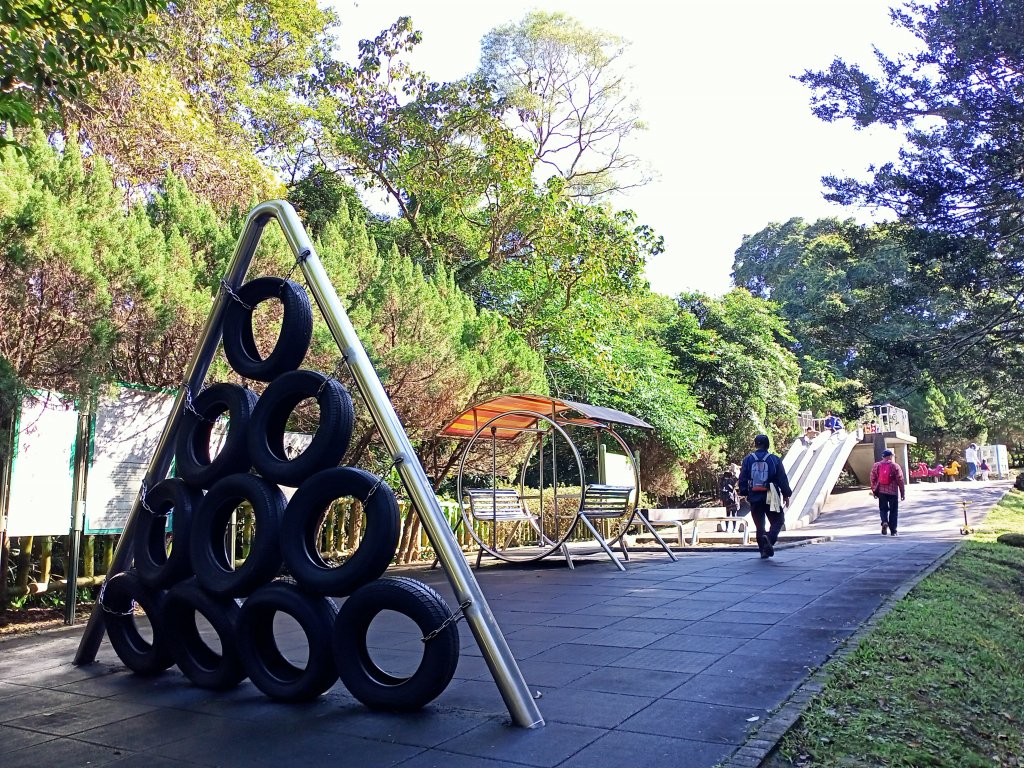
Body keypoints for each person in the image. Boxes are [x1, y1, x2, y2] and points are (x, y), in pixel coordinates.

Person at [738, 434, 792, 559]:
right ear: (767, 444)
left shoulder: (748, 459)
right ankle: (770, 538)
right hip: (771, 493)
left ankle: (763, 550)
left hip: (755, 495)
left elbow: (743, 477)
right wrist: (786, 494)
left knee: (759, 525)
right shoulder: (774, 459)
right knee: (778, 520)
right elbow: (782, 478)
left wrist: (745, 492)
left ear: (756, 444)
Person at [870, 449, 905, 536]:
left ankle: (884, 521)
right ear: (890, 456)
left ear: (883, 456)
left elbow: (872, 478)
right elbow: (900, 479)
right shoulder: (895, 466)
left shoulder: (876, 465)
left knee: (883, 509)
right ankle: (893, 531)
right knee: (893, 511)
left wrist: (874, 490)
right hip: (893, 491)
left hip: (881, 491)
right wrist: (902, 492)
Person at [718, 465, 741, 532]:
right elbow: (737, 477)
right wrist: (735, 469)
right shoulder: (731, 481)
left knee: (727, 515)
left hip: (726, 500)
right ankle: (734, 528)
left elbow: (720, 490)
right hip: (733, 500)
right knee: (734, 515)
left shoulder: (722, 482)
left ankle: (727, 528)